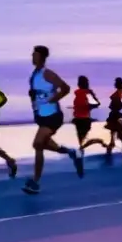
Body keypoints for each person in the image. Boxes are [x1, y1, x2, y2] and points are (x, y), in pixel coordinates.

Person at [24, 45, 83, 195]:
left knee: (37, 144)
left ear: (42, 57)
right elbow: (35, 96)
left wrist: (52, 100)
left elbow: (65, 88)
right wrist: (36, 108)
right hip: (42, 116)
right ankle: (72, 153)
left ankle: (35, 182)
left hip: (53, 116)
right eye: (32, 54)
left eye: (35, 54)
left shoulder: (47, 73)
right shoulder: (34, 75)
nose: (32, 56)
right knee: (43, 144)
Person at [72, 76, 107, 153]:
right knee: (82, 142)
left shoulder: (84, 93)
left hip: (82, 119)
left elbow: (96, 104)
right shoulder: (80, 93)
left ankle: (99, 141)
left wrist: (87, 106)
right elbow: (96, 104)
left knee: (82, 142)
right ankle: (98, 142)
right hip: (80, 119)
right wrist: (87, 106)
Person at [103, 77, 122, 163]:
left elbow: (113, 107)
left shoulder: (117, 95)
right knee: (121, 136)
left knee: (116, 135)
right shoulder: (120, 95)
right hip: (116, 117)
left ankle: (111, 151)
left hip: (114, 117)